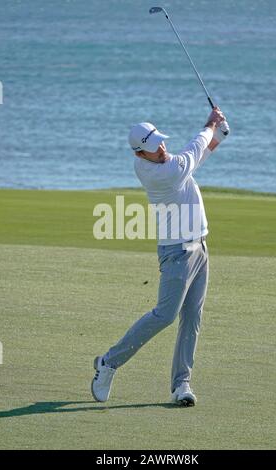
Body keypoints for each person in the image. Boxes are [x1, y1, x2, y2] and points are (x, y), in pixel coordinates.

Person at [91, 107, 229, 406]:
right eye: (154, 148)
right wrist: (210, 126)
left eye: (161, 142)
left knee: (192, 317)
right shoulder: (158, 172)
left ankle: (182, 385)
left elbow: (197, 158)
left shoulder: (169, 164)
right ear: (141, 155)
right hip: (177, 252)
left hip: (200, 247)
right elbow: (192, 153)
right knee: (165, 315)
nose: (162, 148)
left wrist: (216, 138)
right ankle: (109, 363)